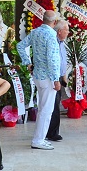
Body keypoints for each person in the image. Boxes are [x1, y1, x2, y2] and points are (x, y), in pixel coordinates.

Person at [17, 10, 61, 149]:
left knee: (43, 108)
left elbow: (20, 46)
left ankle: (39, 138)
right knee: (46, 110)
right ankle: (38, 140)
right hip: (48, 77)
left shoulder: (35, 32)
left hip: (37, 75)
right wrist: (56, 79)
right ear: (54, 22)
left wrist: (27, 62)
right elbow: (52, 59)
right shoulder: (51, 35)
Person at [47, 20, 69, 142]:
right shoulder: (53, 43)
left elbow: (62, 62)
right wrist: (57, 79)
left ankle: (53, 131)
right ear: (59, 31)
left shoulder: (62, 44)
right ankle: (52, 133)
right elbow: (53, 63)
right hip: (53, 78)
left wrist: (64, 77)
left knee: (56, 105)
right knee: (53, 106)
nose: (68, 32)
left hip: (59, 77)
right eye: (66, 30)